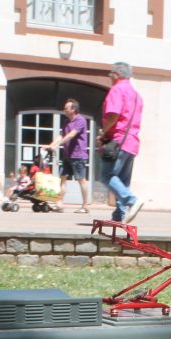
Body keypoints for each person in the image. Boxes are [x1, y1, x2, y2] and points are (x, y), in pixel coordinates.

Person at [99, 61, 144, 224]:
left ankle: (131, 201)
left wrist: (103, 132)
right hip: (132, 142)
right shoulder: (137, 95)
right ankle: (120, 214)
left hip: (118, 140)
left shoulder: (117, 90)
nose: (110, 78)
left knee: (106, 176)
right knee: (123, 180)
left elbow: (113, 115)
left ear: (116, 75)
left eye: (111, 75)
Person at [46, 99, 90, 213]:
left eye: (66, 108)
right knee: (63, 178)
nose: (64, 110)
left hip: (78, 155)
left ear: (73, 109)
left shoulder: (81, 120)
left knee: (81, 180)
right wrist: (51, 145)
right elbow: (62, 135)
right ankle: (59, 204)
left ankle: (85, 206)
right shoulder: (66, 122)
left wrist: (57, 145)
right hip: (67, 155)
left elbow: (71, 135)